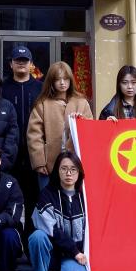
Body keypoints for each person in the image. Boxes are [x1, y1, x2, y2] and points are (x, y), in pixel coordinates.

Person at [28, 151, 91, 271]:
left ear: (79, 172)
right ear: (57, 170)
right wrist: (74, 250)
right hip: (53, 254)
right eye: (64, 168)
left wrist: (78, 253)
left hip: (75, 256)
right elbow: (52, 229)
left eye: (73, 169)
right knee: (37, 236)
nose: (68, 173)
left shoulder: (86, 196)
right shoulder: (47, 194)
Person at [26, 62, 93, 191]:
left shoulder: (81, 103)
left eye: (66, 79)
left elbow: (90, 131)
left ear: (71, 80)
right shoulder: (42, 104)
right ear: (51, 81)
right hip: (49, 165)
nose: (62, 83)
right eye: (58, 79)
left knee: (74, 200)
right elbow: (34, 135)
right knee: (48, 200)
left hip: (76, 163)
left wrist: (81, 122)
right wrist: (39, 162)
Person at [0, 46, 43, 232]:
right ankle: (12, 239)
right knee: (9, 199)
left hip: (34, 155)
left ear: (31, 64)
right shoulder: (2, 88)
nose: (21, 63)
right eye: (17, 60)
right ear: (11, 64)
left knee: (34, 200)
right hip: (9, 154)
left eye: (25, 60)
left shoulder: (41, 88)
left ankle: (31, 240)